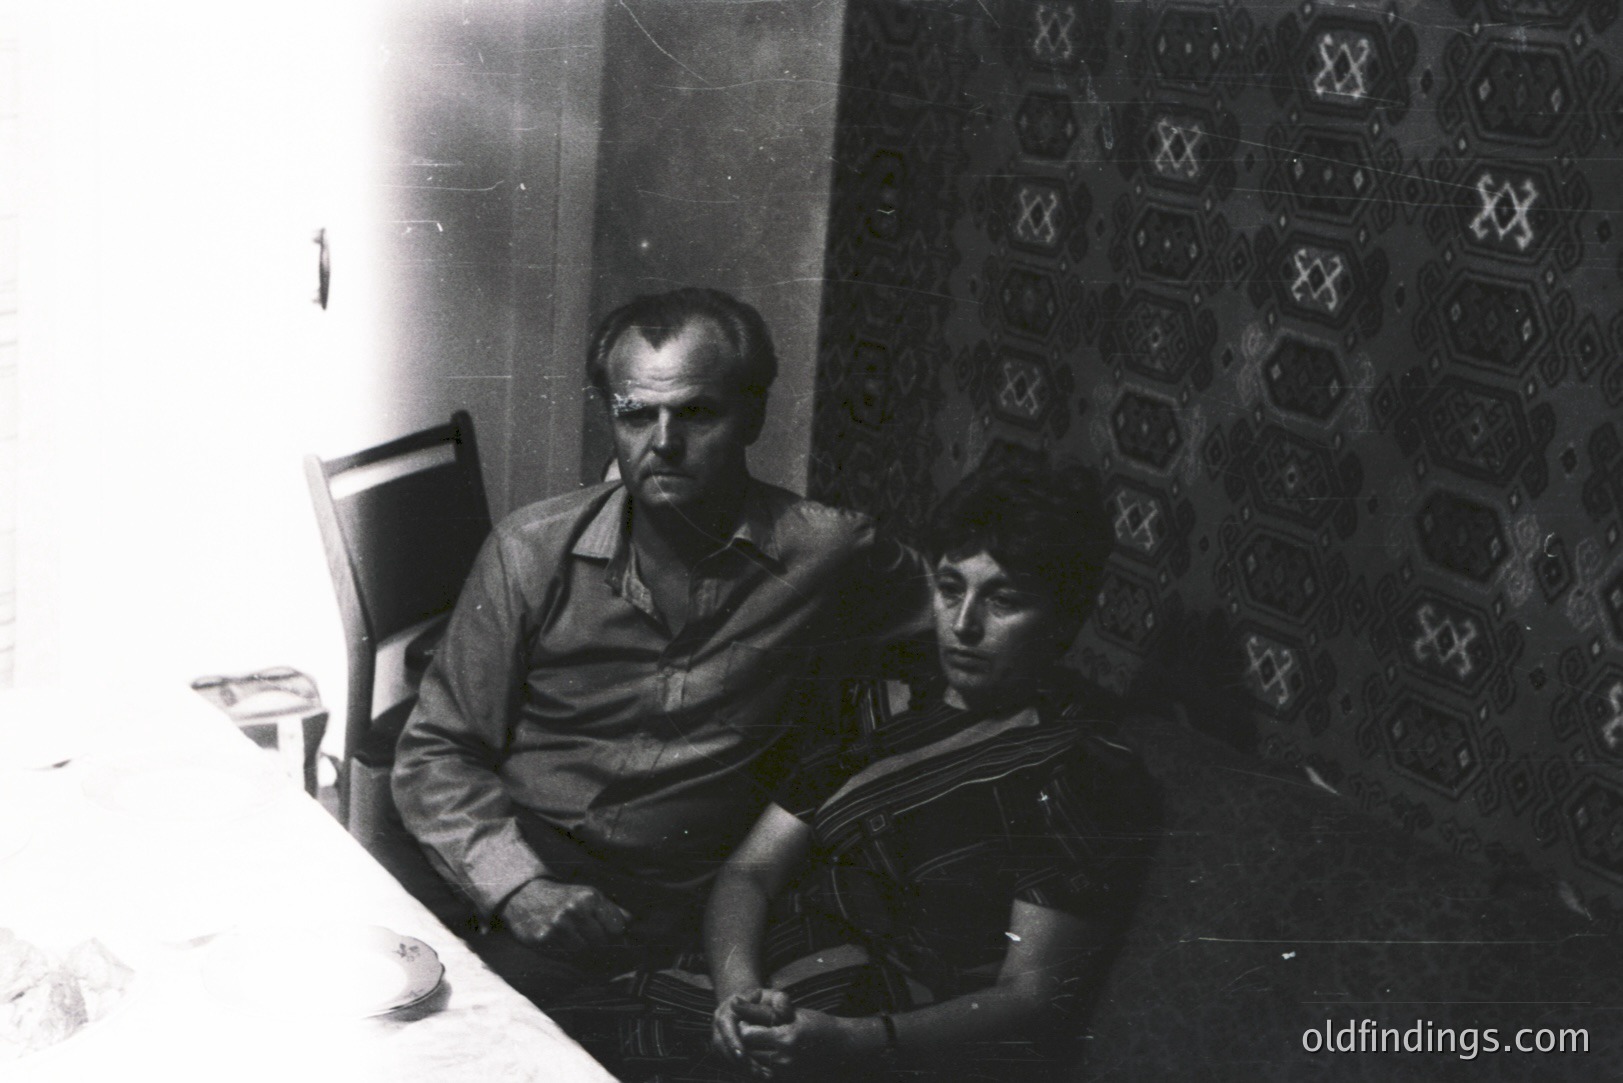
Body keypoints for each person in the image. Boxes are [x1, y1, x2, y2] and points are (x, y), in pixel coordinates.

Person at [390, 288, 932, 1000]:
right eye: (636, 413)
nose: (663, 442)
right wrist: (518, 885)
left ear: (753, 415)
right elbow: (436, 749)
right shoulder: (530, 551)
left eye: (698, 412)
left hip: (654, 894)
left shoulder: (826, 548)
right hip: (502, 836)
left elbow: (958, 615)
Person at [697, 450, 1162, 1082]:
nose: (964, 625)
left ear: (1066, 616)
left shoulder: (1082, 769)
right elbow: (751, 870)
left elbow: (1031, 997)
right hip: (762, 996)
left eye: (1004, 601)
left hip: (891, 1052)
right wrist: (737, 996)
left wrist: (852, 1042)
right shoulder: (875, 698)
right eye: (950, 589)